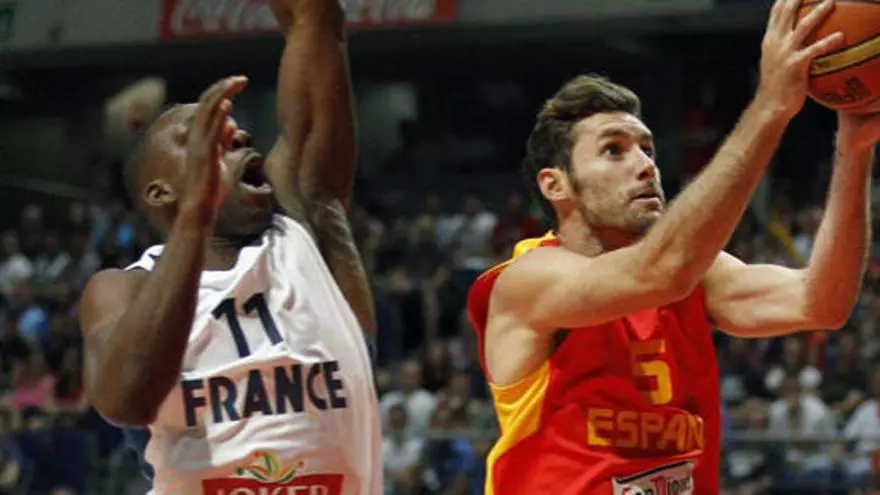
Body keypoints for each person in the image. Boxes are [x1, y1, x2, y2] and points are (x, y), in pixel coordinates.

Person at [467, 0, 880, 493]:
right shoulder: (528, 281)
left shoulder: (697, 278)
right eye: (613, 150)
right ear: (556, 185)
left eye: (648, 149)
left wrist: (853, 150)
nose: (644, 165)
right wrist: (770, 105)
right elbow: (660, 271)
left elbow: (822, 301)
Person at [77, 0, 381, 493]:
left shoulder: (305, 226)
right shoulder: (123, 289)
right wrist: (195, 218)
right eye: (199, 135)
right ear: (161, 192)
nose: (236, 132)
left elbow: (318, 21)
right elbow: (125, 401)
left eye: (231, 127)